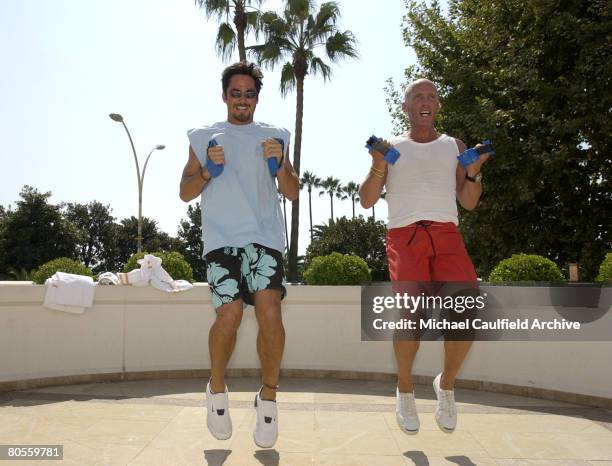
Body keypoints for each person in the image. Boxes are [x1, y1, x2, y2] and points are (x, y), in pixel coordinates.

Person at [359, 78, 492, 435]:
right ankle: (404, 390)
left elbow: (468, 201)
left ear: (437, 106)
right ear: (406, 106)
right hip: (405, 236)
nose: (425, 100)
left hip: (447, 234)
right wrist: (377, 163)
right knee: (409, 315)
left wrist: (475, 171)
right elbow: (367, 199)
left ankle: (445, 386)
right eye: (417, 95)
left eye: (432, 95)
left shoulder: (454, 146)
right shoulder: (393, 148)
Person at [179, 61, 299, 448]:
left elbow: (293, 191)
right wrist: (206, 173)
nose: (242, 100)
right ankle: (217, 390)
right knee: (229, 316)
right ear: (224, 95)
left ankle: (268, 397)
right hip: (221, 240)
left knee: (270, 316)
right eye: (236, 93)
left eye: (249, 94)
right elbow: (185, 191)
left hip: (265, 238)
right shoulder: (203, 136)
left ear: (257, 98)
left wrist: (280, 164)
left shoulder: (277, 135)